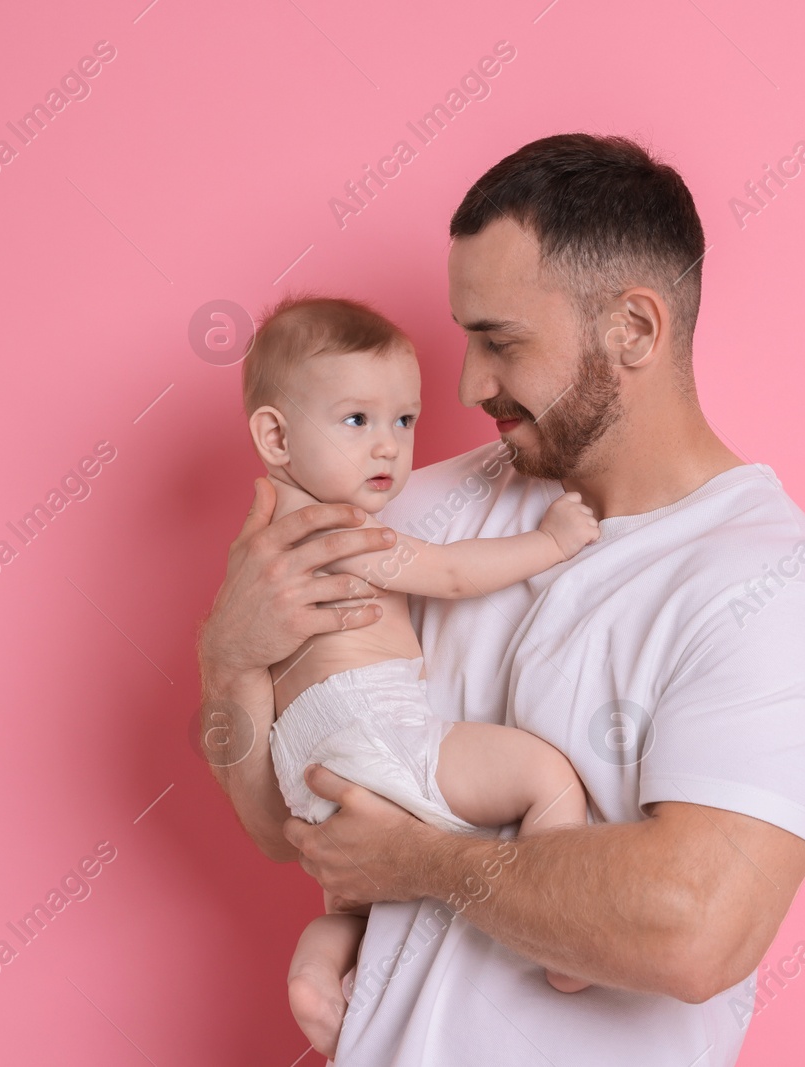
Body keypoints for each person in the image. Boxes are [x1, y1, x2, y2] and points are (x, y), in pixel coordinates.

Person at [198, 132, 805, 1066]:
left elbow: (695, 930)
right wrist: (228, 663)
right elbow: (288, 828)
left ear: (632, 328)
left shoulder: (767, 590)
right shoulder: (416, 512)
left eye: (500, 340)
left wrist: (419, 860)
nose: (469, 384)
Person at [235, 294, 601, 1056]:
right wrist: (551, 542)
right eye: (357, 420)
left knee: (365, 903)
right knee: (545, 774)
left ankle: (318, 965)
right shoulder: (340, 532)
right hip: (375, 731)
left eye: (404, 421)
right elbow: (454, 573)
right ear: (274, 435)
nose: (388, 449)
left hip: (307, 765)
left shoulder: (261, 554)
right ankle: (566, 944)